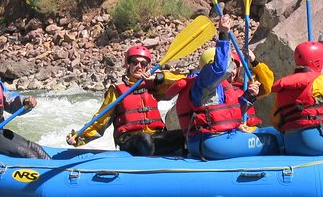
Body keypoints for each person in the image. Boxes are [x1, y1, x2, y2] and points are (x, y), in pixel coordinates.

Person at [166, 15, 280, 160]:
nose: (231, 69)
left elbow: (229, 113)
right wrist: (223, 33)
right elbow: (220, 68)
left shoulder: (217, 87)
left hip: (215, 138)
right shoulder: (203, 83)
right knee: (272, 141)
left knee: (275, 132)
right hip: (212, 141)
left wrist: (249, 96)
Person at [66, 45, 186, 156]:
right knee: (145, 139)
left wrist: (158, 77)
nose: (139, 66)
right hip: (130, 141)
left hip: (156, 137)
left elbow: (184, 80)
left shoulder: (154, 86)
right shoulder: (117, 91)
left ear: (147, 67)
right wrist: (79, 138)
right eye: (135, 62)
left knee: (185, 135)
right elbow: (101, 120)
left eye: (143, 63)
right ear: (128, 64)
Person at [228, 47, 274, 129]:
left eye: (234, 68)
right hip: (235, 130)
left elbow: (267, 85)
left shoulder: (245, 85)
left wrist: (254, 62)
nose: (232, 72)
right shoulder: (218, 90)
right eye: (229, 68)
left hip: (251, 128)